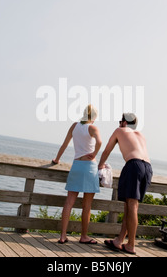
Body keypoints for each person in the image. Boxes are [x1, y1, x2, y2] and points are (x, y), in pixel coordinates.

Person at [98, 112, 153, 255]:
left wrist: (100, 166)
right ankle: (119, 240)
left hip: (134, 165)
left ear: (124, 122)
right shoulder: (141, 135)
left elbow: (107, 150)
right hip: (147, 168)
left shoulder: (119, 131)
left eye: (120, 121)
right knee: (129, 206)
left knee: (132, 206)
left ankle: (131, 245)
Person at [52, 104, 102, 244]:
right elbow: (100, 142)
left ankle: (62, 236)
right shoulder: (92, 127)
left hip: (76, 165)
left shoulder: (74, 126)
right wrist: (94, 154)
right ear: (94, 117)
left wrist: (56, 159)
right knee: (87, 205)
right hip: (89, 167)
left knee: (69, 202)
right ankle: (84, 236)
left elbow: (64, 144)